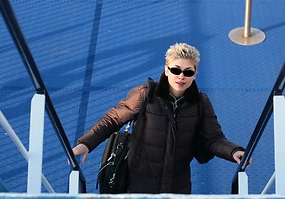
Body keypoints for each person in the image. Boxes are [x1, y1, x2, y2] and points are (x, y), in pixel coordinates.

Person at [72, 42, 249, 194]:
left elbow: (214, 138)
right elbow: (113, 119)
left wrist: (233, 151)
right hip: (139, 183)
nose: (181, 76)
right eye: (175, 70)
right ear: (166, 70)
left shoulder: (201, 102)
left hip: (177, 185)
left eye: (188, 72)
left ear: (195, 74)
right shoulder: (145, 94)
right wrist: (86, 143)